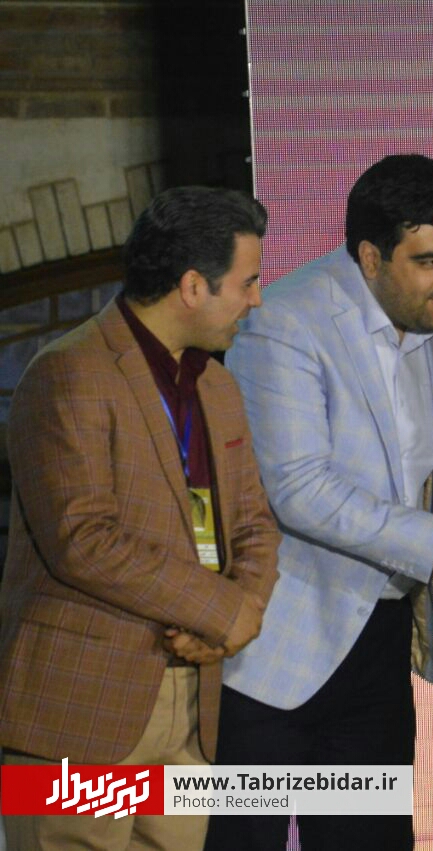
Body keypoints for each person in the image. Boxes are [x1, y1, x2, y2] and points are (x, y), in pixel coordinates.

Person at [205, 155, 433, 851]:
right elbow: (300, 488)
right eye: (430, 261)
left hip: (380, 638)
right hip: (278, 649)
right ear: (369, 256)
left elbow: (419, 464)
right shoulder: (286, 321)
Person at [0, 187, 281, 850]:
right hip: (83, 711)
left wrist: (236, 614)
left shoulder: (217, 385)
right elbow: (82, 539)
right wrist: (223, 612)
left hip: (190, 708)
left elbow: (254, 524)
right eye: (247, 283)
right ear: (193, 286)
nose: (257, 300)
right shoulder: (68, 372)